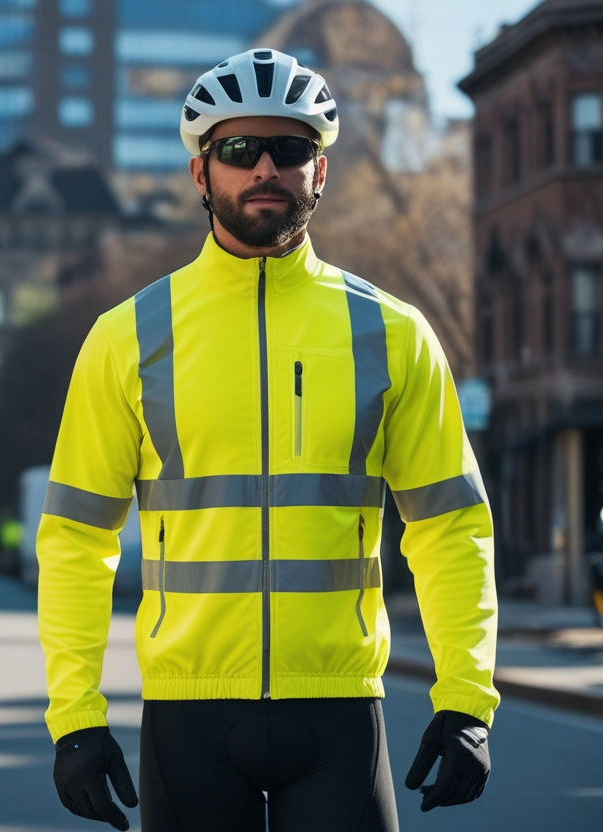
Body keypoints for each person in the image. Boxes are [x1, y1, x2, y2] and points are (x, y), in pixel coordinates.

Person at [38, 49, 496, 832]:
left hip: (341, 710)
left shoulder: (392, 333)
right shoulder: (126, 338)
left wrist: (466, 700)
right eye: (238, 150)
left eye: (289, 149)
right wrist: (76, 716)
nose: (264, 169)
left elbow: (451, 529)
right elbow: (77, 541)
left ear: (320, 171)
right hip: (189, 718)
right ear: (200, 173)